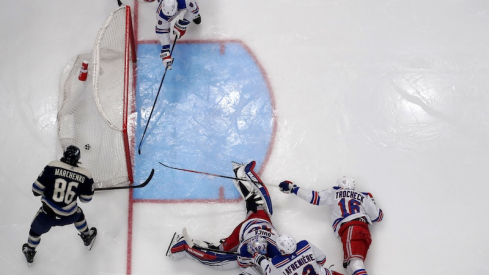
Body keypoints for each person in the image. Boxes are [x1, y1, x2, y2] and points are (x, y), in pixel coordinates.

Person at [167, 161, 280, 275]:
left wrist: (249, 172)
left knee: (257, 202)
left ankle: (241, 173)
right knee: (220, 255)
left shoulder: (265, 254)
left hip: (256, 222)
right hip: (253, 225)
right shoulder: (263, 255)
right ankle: (240, 174)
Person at [278, 177, 383, 275]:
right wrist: (371, 201)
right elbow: (378, 217)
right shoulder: (364, 196)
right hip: (364, 230)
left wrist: (293, 188)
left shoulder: (335, 191)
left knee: (355, 264)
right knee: (350, 266)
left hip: (351, 228)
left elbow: (315, 197)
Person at [22, 145, 97, 265]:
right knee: (79, 214)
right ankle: (87, 235)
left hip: (47, 216)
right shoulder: (86, 174)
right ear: (78, 158)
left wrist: (49, 186)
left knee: (34, 232)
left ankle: (30, 251)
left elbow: (35, 190)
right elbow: (86, 199)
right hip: (69, 216)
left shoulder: (53, 166)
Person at [252, 234, 343, 275]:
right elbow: (322, 259)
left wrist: (260, 259)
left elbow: (268, 272)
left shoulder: (276, 262)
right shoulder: (305, 244)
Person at [155, 0, 202, 68]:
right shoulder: (160, 14)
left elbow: (195, 9)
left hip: (185, 3)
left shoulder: (186, 1)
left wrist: (183, 24)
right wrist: (165, 50)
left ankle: (193, 14)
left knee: (192, 8)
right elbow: (162, 30)